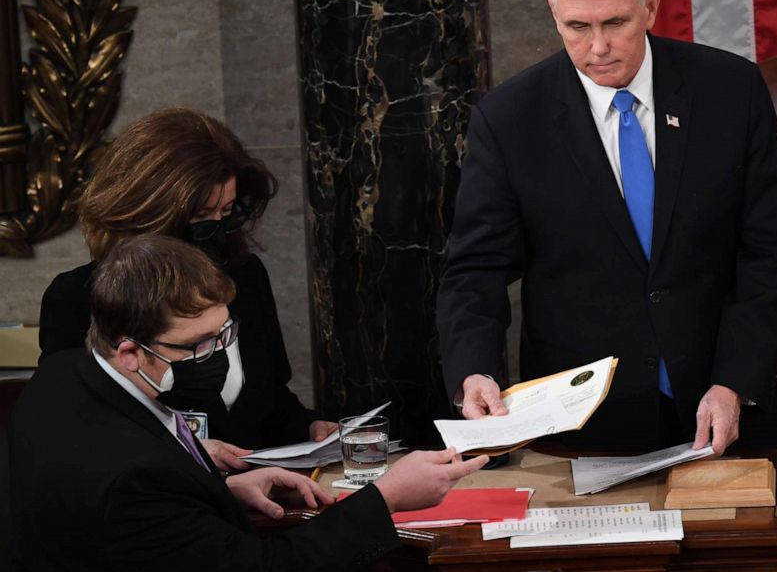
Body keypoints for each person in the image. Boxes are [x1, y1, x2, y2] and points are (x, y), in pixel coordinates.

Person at [437, 0, 777, 455]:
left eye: (615, 22)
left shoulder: (731, 92)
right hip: (585, 431)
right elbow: (476, 269)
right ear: (552, 12)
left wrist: (735, 383)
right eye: (577, 26)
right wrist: (474, 372)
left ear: (651, 6)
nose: (598, 46)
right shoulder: (510, 120)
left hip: (724, 410)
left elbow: (773, 252)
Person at [10, 235, 488, 570]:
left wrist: (219, 492)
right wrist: (385, 498)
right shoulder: (133, 479)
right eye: (196, 346)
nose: (217, 355)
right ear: (132, 353)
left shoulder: (65, 373)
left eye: (223, 334)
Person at [38, 107, 333, 471]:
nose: (214, 233)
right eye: (198, 217)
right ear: (145, 213)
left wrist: (309, 428)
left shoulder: (245, 276)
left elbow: (268, 398)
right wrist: (184, 455)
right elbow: (77, 434)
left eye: (225, 214)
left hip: (261, 500)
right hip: (159, 506)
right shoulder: (76, 297)